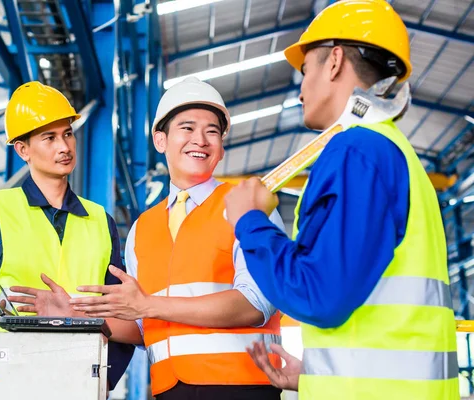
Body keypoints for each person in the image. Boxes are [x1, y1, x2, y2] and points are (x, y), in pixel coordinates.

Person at [223, 1, 459, 399]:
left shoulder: (357, 152)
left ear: (333, 62)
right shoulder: (392, 152)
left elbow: (317, 295)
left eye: (304, 70)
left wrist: (250, 222)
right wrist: (315, 378)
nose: (300, 88)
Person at [69, 76, 286, 400]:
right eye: (187, 128)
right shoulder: (143, 228)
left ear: (222, 146)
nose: (201, 139)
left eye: (212, 131)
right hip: (169, 391)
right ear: (160, 140)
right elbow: (143, 326)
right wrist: (75, 315)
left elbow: (255, 304)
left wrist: (149, 304)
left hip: (243, 388)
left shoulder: (248, 205)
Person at [0, 81, 136, 390]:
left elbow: (123, 312)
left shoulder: (100, 221)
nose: (64, 147)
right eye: (49, 137)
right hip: (1, 380)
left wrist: (102, 379)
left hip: (78, 379)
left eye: (68, 134)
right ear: (23, 150)